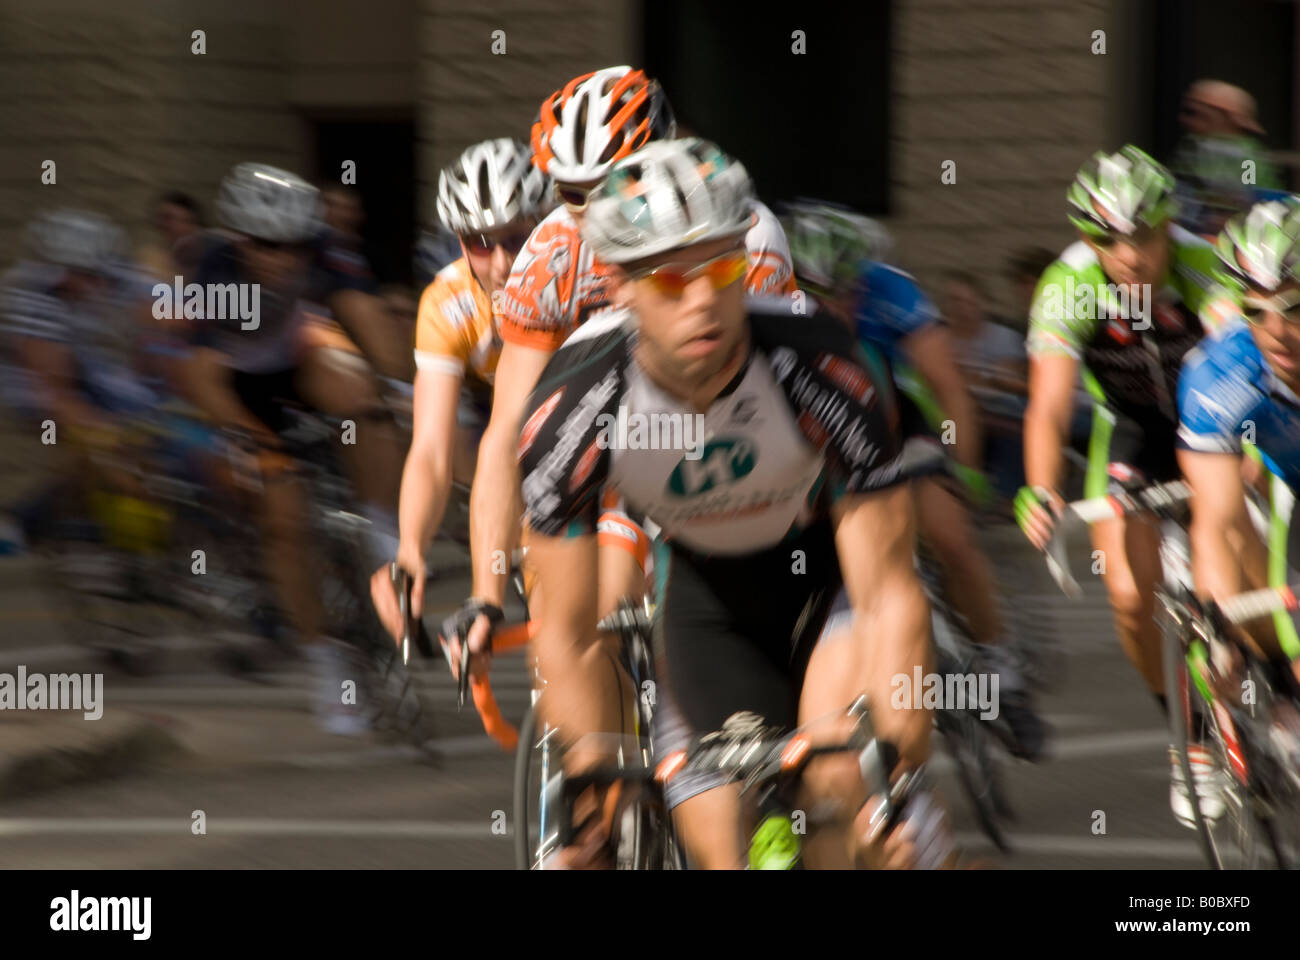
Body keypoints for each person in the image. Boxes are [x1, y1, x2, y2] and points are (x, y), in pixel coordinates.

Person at [518, 137, 955, 870]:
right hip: (707, 599)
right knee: (726, 851)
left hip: (825, 583)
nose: (702, 303)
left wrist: (896, 775)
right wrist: (596, 809)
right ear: (619, 285)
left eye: (721, 268)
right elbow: (567, 634)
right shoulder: (575, 403)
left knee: (838, 790)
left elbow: (887, 597)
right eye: (668, 281)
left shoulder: (817, 364)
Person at [447, 66, 798, 669]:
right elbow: (508, 430)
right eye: (572, 193)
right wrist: (485, 592)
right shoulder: (549, 258)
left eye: (614, 182)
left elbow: (765, 394)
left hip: (735, 433)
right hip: (611, 444)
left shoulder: (744, 236)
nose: (593, 212)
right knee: (585, 623)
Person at [784, 201, 1045, 760]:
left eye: (847, 292)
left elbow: (949, 388)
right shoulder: (772, 298)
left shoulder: (891, 290)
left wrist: (965, 472)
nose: (836, 305)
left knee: (949, 536)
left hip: (900, 419)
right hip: (816, 431)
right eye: (818, 294)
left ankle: (1003, 670)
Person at [1016, 145, 1226, 825]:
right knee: (1132, 598)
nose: (1130, 254)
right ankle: (1187, 735)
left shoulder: (1202, 265)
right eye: (1109, 238)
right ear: (1087, 238)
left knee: (1233, 556)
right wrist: (1043, 489)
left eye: (1146, 234)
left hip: (1213, 422)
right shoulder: (1068, 285)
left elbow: (1238, 362)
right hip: (1133, 433)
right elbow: (1048, 405)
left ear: (1171, 228)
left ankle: (1262, 689)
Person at [181, 163, 404, 734]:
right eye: (264, 245)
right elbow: (203, 379)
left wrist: (401, 385)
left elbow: (365, 315)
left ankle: (381, 533)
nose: (282, 258)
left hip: (301, 360)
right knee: (283, 517)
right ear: (237, 239)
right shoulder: (215, 274)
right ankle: (327, 664)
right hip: (242, 388)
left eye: (294, 247)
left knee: (362, 395)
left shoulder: (326, 249)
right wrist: (257, 446)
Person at [369, 139, 550, 643]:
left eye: (516, 238)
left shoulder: (577, 276)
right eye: (479, 243)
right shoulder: (447, 303)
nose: (502, 264)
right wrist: (410, 551)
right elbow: (431, 449)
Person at [1176, 196, 1300, 765]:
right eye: (1256, 310)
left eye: (1294, 307)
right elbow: (1219, 516)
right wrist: (1220, 624)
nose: (1276, 331)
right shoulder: (1219, 373)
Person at [941, 271, 1029, 501]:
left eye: (968, 302)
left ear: (981, 304)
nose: (962, 308)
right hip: (954, 412)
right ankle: (956, 479)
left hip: (1001, 408)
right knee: (947, 426)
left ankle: (988, 490)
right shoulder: (939, 338)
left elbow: (1007, 379)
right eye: (955, 301)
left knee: (966, 421)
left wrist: (971, 377)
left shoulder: (1002, 336)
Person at [1170, 80, 1281, 239]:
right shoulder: (1191, 149)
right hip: (1187, 234)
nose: (1186, 120)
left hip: (1230, 240)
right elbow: (1176, 191)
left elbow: (1252, 197)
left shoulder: (1247, 156)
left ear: (1225, 117)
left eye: (1197, 113)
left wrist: (1230, 220)